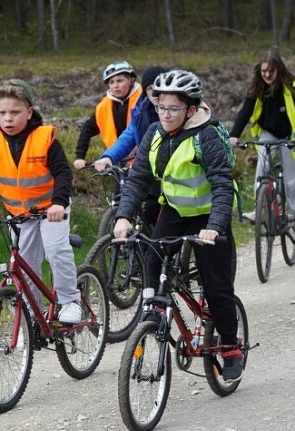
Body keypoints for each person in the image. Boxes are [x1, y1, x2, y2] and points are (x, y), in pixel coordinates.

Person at [111, 70, 242, 382]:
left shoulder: (205, 136)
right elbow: (139, 179)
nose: (166, 114)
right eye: (161, 107)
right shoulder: (154, 133)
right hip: (174, 210)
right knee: (153, 255)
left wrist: (216, 226)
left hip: (209, 216)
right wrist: (123, 216)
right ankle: (153, 311)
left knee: (217, 287)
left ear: (191, 110)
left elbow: (223, 186)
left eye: (173, 109)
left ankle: (230, 347)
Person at [0, 79, 81, 325]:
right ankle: (33, 310)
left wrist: (59, 203)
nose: (8, 119)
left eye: (15, 113)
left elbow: (63, 173)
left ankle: (70, 302)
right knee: (25, 262)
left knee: (56, 250)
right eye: (2, 112)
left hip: (51, 208)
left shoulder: (44, 137)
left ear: (29, 112)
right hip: (19, 213)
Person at [229, 51, 295, 247]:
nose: (267, 75)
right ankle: (260, 208)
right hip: (269, 134)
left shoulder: (293, 88)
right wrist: (234, 135)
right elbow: (245, 112)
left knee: (293, 181)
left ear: (279, 69)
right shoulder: (257, 89)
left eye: (271, 71)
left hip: (292, 135)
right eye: (263, 71)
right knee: (262, 169)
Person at [92, 66, 167, 228]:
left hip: (173, 174)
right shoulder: (141, 111)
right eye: (150, 89)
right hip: (149, 170)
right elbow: (127, 138)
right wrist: (108, 156)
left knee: (157, 216)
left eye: (159, 88)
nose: (155, 94)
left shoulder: (175, 111)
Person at [73, 60, 143, 170]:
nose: (116, 86)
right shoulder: (103, 107)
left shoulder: (143, 100)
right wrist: (80, 156)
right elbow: (87, 130)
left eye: (120, 81)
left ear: (131, 80)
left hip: (143, 163)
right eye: (111, 82)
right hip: (117, 163)